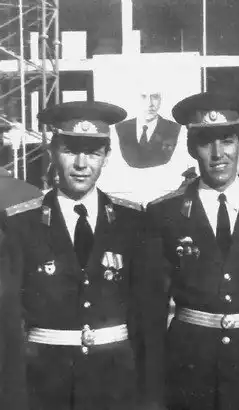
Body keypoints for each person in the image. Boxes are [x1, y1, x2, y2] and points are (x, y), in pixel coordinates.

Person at [0, 101, 164, 410]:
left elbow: (149, 321)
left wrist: (150, 399)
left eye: (93, 153)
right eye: (70, 150)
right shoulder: (20, 224)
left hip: (115, 386)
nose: (81, 164)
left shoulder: (133, 223)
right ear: (52, 151)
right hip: (45, 386)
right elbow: (7, 322)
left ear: (107, 157)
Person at [145, 92, 239, 410]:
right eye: (205, 142)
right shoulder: (165, 213)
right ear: (191, 148)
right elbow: (151, 307)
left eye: (227, 140)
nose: (218, 154)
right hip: (189, 365)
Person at [115, 89, 181, 168]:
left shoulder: (173, 128)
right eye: (143, 97)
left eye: (155, 97)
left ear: (161, 99)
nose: (150, 104)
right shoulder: (122, 127)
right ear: (135, 99)